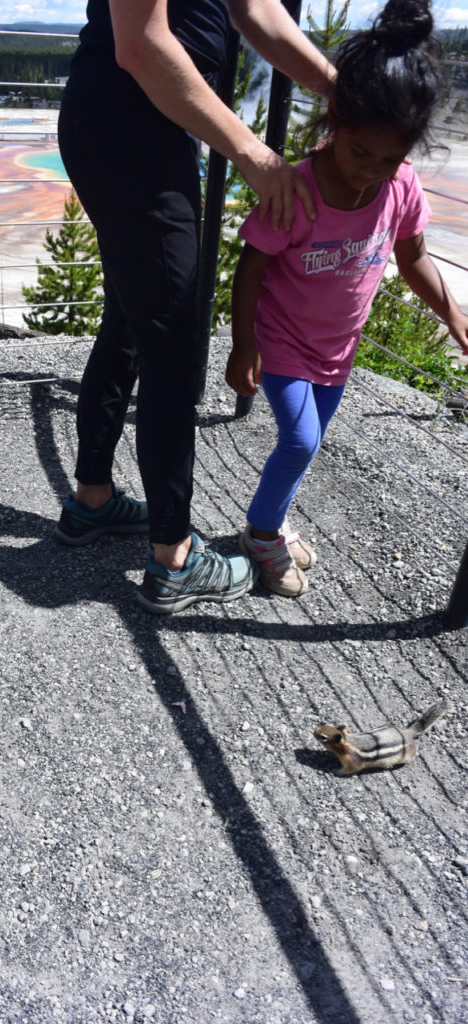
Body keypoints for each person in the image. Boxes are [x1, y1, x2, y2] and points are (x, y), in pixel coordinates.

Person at [55, 0, 336, 614]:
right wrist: (253, 153)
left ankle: (93, 502)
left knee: (131, 323)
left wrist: (338, 90)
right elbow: (142, 42)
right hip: (137, 127)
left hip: (131, 123)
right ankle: (175, 558)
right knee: (175, 345)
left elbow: (253, 7)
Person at [226, 0, 468, 597]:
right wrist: (243, 344)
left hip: (339, 350)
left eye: (390, 159)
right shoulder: (297, 192)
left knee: (306, 446)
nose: (371, 171)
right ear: (335, 123)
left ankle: (275, 518)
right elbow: (250, 264)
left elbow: (413, 259)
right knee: (301, 440)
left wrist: (455, 316)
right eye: (361, 152)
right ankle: (260, 534)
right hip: (283, 341)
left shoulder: (400, 188)